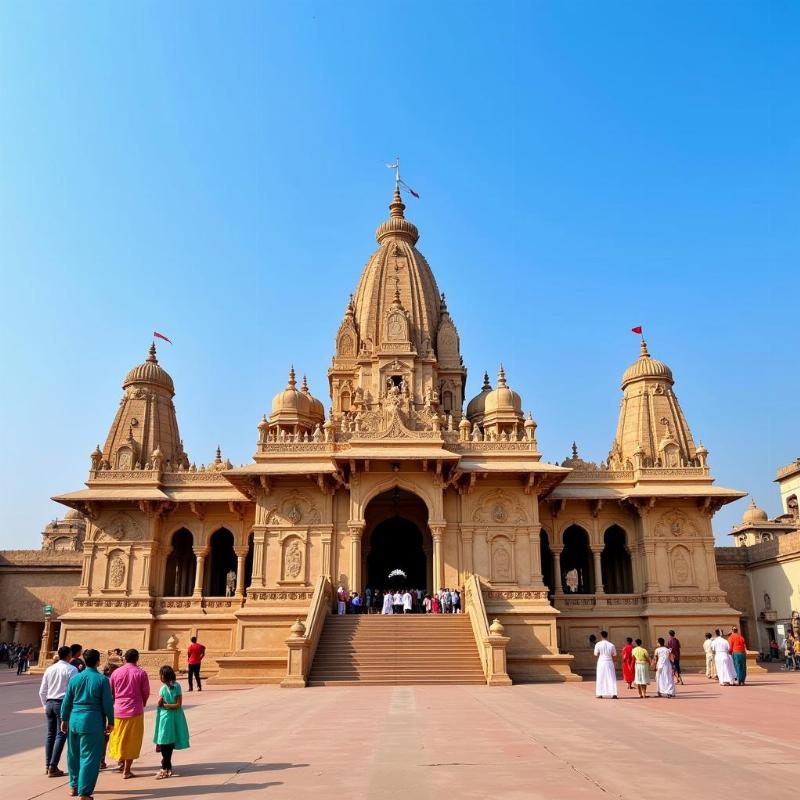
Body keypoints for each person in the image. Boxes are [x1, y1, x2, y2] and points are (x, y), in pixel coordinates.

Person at [60, 648, 114, 800]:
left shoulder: (75, 678)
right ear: (98, 662)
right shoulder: (102, 680)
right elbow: (107, 704)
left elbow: (67, 701)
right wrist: (111, 721)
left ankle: (73, 785)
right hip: (93, 720)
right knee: (89, 757)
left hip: (75, 719)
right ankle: (84, 792)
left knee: (73, 755)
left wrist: (64, 719)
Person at [107, 648, 150, 779]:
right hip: (135, 710)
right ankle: (127, 769)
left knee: (118, 737)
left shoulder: (116, 673)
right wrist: (142, 703)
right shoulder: (141, 673)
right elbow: (145, 692)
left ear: (125, 658)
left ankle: (120, 760)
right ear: (137, 659)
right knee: (132, 739)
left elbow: (111, 691)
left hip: (118, 710)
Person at [39, 645, 77, 777]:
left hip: (49, 702)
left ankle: (47, 764)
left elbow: (42, 691)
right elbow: (73, 691)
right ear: (68, 655)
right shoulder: (72, 669)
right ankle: (53, 766)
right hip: (62, 703)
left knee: (51, 734)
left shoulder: (50, 669)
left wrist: (45, 705)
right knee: (62, 733)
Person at [153, 665, 190, 780]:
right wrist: (161, 704)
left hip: (173, 717)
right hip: (165, 717)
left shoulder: (176, 686)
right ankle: (167, 766)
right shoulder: (163, 688)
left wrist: (164, 705)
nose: (160, 677)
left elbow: (178, 704)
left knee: (168, 742)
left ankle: (165, 767)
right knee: (164, 742)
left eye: (161, 675)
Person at [593, 630, 618, 699]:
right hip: (609, 662)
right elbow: (614, 655)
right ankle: (614, 693)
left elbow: (596, 654)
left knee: (600, 677)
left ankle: (600, 693)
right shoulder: (611, 645)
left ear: (601, 636)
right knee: (611, 677)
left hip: (601, 662)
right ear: (607, 636)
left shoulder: (598, 644)